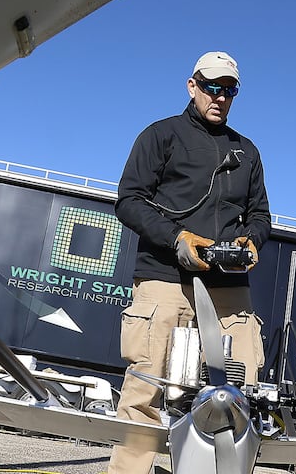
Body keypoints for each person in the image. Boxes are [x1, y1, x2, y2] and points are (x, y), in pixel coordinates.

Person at [107, 51, 271, 474]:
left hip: (228, 288)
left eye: (229, 89)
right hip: (165, 278)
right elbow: (128, 200)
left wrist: (251, 242)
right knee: (146, 389)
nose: (219, 96)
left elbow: (261, 216)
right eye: (211, 86)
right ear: (192, 85)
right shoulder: (160, 136)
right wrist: (175, 237)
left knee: (241, 393)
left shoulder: (247, 151)